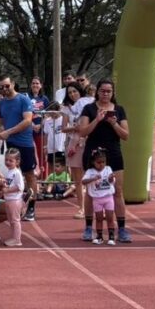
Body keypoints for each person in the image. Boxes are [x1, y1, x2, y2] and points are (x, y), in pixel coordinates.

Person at [78, 78, 131, 243]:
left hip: (113, 153)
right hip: (93, 153)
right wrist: (97, 120)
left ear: (113, 92)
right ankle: (88, 227)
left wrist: (114, 124)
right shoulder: (89, 109)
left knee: (118, 191)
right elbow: (82, 131)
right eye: (103, 91)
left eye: (109, 91)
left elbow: (126, 135)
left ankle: (121, 229)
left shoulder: (119, 110)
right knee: (91, 191)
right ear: (97, 92)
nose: (106, 94)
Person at [0, 74, 37, 221]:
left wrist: (8, 131)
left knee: (29, 174)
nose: (4, 89)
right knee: (13, 173)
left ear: (13, 84)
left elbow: (27, 121)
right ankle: (17, 204)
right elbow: (1, 122)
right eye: (1, 87)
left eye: (7, 86)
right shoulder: (1, 103)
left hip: (24, 142)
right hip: (10, 142)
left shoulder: (23, 99)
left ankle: (31, 207)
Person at [61, 83, 88, 219]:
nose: (72, 94)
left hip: (87, 141)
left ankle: (94, 206)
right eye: (70, 92)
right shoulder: (67, 108)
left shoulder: (88, 104)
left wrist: (84, 128)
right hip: (73, 144)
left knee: (91, 176)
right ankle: (81, 208)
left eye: (75, 91)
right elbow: (63, 128)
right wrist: (75, 128)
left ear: (80, 91)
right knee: (78, 179)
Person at [82, 148, 117, 245]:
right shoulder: (90, 171)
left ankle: (111, 236)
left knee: (110, 217)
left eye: (103, 162)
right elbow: (83, 181)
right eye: (98, 162)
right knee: (99, 218)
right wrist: (93, 178)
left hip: (108, 197)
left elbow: (111, 182)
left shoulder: (108, 169)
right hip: (97, 199)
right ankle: (99, 236)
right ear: (93, 162)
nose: (101, 164)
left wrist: (111, 178)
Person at [0, 148, 25, 247]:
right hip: (9, 199)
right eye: (6, 160)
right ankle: (14, 237)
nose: (8, 162)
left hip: (14, 200)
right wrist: (3, 192)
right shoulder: (10, 172)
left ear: (17, 161)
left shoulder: (17, 172)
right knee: (11, 220)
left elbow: (20, 187)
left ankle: (17, 239)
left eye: (11, 160)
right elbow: (9, 185)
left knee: (15, 220)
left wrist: (8, 190)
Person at [27, 77, 50, 178]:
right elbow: (23, 113)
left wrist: (41, 125)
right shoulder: (26, 97)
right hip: (29, 130)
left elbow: (48, 114)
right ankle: (33, 178)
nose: (35, 85)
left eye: (37, 83)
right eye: (33, 83)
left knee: (42, 155)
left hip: (41, 131)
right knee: (31, 155)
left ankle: (44, 178)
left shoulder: (44, 98)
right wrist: (31, 124)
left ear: (40, 85)